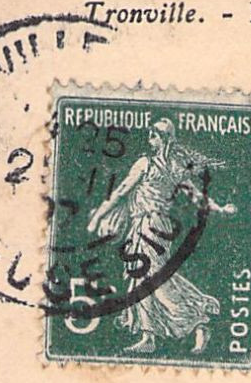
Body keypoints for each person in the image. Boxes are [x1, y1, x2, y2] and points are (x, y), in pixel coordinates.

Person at [85, 118, 236, 355]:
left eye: (153, 134)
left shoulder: (146, 163)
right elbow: (198, 197)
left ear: (163, 138)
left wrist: (98, 217)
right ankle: (149, 335)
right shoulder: (174, 167)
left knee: (153, 278)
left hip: (150, 225)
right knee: (142, 277)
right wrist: (220, 208)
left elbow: (123, 190)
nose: (150, 138)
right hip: (150, 224)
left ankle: (197, 320)